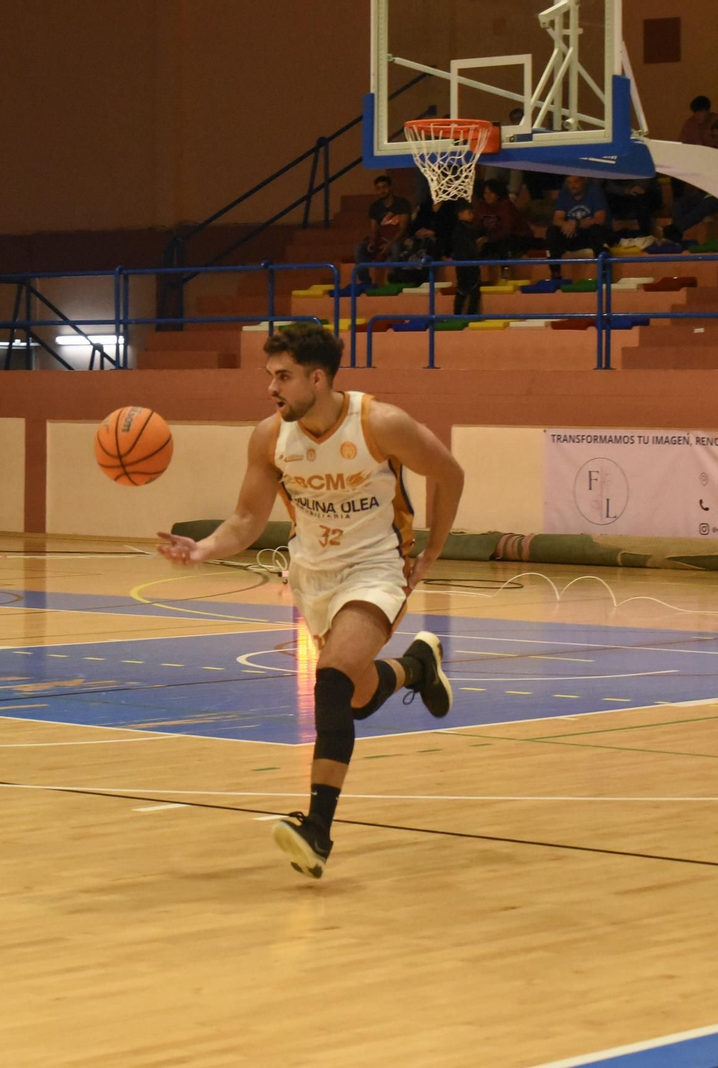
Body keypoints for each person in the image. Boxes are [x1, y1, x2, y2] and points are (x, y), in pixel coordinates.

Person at [156, 324, 463, 880]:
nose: (272, 388)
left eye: (283, 376)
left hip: (377, 568)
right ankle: (416, 667)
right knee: (355, 697)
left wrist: (435, 546)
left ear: (317, 378)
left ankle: (316, 830)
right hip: (312, 574)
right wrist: (202, 549)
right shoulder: (269, 437)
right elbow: (248, 518)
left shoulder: (380, 424)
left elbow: (449, 472)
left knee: (333, 682)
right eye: (270, 376)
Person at [664, 119, 718, 242]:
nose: (717, 139)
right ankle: (677, 236)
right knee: (680, 204)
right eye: (714, 136)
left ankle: (675, 230)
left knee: (708, 204)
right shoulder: (710, 152)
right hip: (706, 192)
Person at [545, 175, 610, 278]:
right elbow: (557, 219)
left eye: (575, 182)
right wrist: (567, 224)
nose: (572, 186)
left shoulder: (595, 192)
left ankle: (604, 273)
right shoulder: (564, 193)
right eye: (569, 183)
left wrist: (576, 223)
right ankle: (556, 273)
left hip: (589, 235)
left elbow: (599, 219)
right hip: (572, 234)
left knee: (597, 230)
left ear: (583, 181)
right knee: (552, 231)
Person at [354, 174, 412, 286]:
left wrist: (389, 244)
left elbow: (403, 229)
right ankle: (365, 281)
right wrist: (372, 242)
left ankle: (394, 279)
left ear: (390, 187)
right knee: (359, 247)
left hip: (397, 240)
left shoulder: (402, 203)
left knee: (396, 247)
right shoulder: (374, 207)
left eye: (384, 187)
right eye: (378, 188)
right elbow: (373, 229)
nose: (382, 190)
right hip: (382, 240)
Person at [450, 201, 483, 316]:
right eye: (469, 212)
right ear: (460, 214)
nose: (471, 215)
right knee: (472, 290)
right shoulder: (464, 229)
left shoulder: (461, 229)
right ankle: (469, 314)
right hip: (468, 262)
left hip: (463, 262)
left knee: (463, 290)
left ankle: (459, 314)